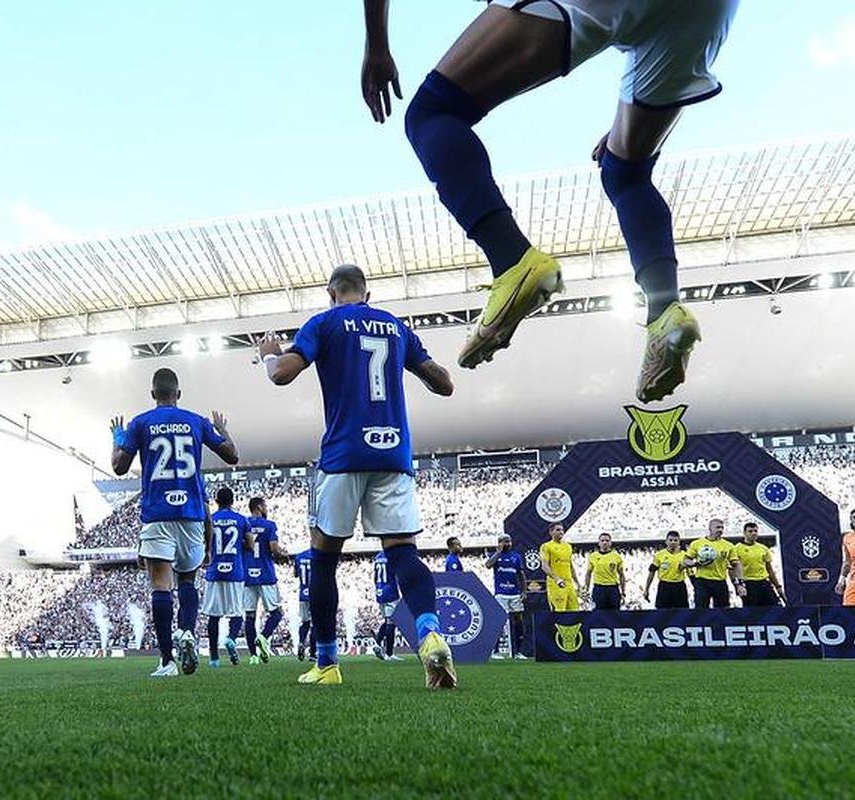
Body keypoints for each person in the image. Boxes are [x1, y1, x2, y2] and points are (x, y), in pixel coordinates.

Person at [361, 0, 739, 402]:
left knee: (433, 112)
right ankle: (665, 313)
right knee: (625, 171)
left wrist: (377, 46)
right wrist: (623, 128)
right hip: (710, 12)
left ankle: (512, 260)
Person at [259, 264, 457, 688]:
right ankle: (429, 633)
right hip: (393, 454)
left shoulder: (323, 323)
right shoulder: (396, 328)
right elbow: (444, 385)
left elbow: (280, 375)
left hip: (343, 454)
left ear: (330, 292)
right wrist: (419, 363)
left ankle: (327, 665)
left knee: (324, 559)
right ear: (368, 294)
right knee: (404, 552)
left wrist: (269, 353)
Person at [110, 367, 238, 677]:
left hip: (157, 515)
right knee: (187, 582)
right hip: (192, 514)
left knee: (160, 586)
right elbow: (232, 456)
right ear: (178, 395)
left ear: (153, 394)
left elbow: (118, 466)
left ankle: (167, 661)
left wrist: (117, 437)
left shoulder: (140, 423)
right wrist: (223, 429)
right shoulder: (196, 421)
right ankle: (187, 632)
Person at [202, 487, 254, 668]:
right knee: (237, 612)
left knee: (213, 616)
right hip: (235, 572)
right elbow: (251, 545)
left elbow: (204, 541)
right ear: (232, 501)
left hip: (214, 571)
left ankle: (214, 658)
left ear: (216, 501)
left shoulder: (210, 520)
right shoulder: (242, 520)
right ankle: (231, 638)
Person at [243, 497, 288, 665]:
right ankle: (263, 637)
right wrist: (283, 553)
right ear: (259, 506)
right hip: (266, 574)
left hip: (247, 574)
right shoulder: (269, 525)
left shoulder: (244, 523)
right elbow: (274, 549)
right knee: (277, 612)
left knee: (250, 616)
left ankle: (253, 656)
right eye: (265, 505)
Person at [683, 519, 745, 608]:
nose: (720, 530)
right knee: (701, 610)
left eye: (722, 528)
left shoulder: (728, 545)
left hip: (720, 581)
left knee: (723, 611)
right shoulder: (697, 544)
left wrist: (739, 583)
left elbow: (736, 564)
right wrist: (696, 563)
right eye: (717, 527)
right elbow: (685, 561)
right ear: (710, 528)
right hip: (702, 581)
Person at [484, 533, 527, 659]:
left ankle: (518, 652)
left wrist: (523, 591)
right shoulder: (495, 556)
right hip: (501, 593)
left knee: (518, 620)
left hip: (515, 594)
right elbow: (488, 565)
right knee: (499, 621)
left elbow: (521, 575)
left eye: (509, 541)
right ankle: (495, 651)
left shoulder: (516, 557)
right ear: (499, 543)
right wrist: (498, 552)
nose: (507, 544)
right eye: (505, 541)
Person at [734, 522, 784, 607]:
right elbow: (733, 568)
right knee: (752, 612)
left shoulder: (763, 548)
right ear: (744, 533)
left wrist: (777, 586)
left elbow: (769, 569)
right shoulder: (737, 549)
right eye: (750, 531)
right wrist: (738, 585)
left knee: (776, 607)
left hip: (763, 582)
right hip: (748, 583)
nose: (753, 533)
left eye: (755, 531)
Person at [369, 549, 404, 662]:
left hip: (380, 590)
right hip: (390, 591)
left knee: (387, 620)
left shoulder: (378, 556)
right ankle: (389, 653)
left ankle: (377, 643)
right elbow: (398, 574)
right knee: (392, 622)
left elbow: (375, 576)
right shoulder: (392, 555)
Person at [539, 523, 581, 612]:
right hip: (556, 584)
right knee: (559, 612)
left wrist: (577, 583)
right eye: (558, 530)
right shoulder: (546, 546)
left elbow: (570, 566)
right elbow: (544, 566)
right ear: (551, 532)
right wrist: (557, 579)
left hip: (569, 584)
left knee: (575, 611)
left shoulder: (568, 546)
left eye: (562, 530)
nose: (561, 532)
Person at [644, 531, 689, 609]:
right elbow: (651, 572)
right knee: (662, 613)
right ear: (666, 541)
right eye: (670, 540)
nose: (673, 542)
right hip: (664, 586)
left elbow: (690, 574)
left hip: (679, 586)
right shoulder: (659, 555)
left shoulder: (684, 555)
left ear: (679, 542)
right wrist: (646, 589)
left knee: (682, 612)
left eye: (675, 540)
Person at [583, 533, 625, 611]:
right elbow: (588, 574)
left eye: (607, 540)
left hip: (613, 589)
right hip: (599, 589)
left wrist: (623, 591)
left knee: (615, 614)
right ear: (599, 543)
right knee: (599, 614)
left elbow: (621, 575)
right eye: (602, 540)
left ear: (610, 543)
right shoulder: (593, 556)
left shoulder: (616, 556)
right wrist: (586, 588)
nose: (604, 542)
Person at [293, 548, 314, 661]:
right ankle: (313, 653)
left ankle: (301, 642)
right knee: (316, 624)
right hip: (315, 592)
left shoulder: (299, 556)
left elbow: (296, 574)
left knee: (305, 622)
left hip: (302, 593)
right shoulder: (318, 554)